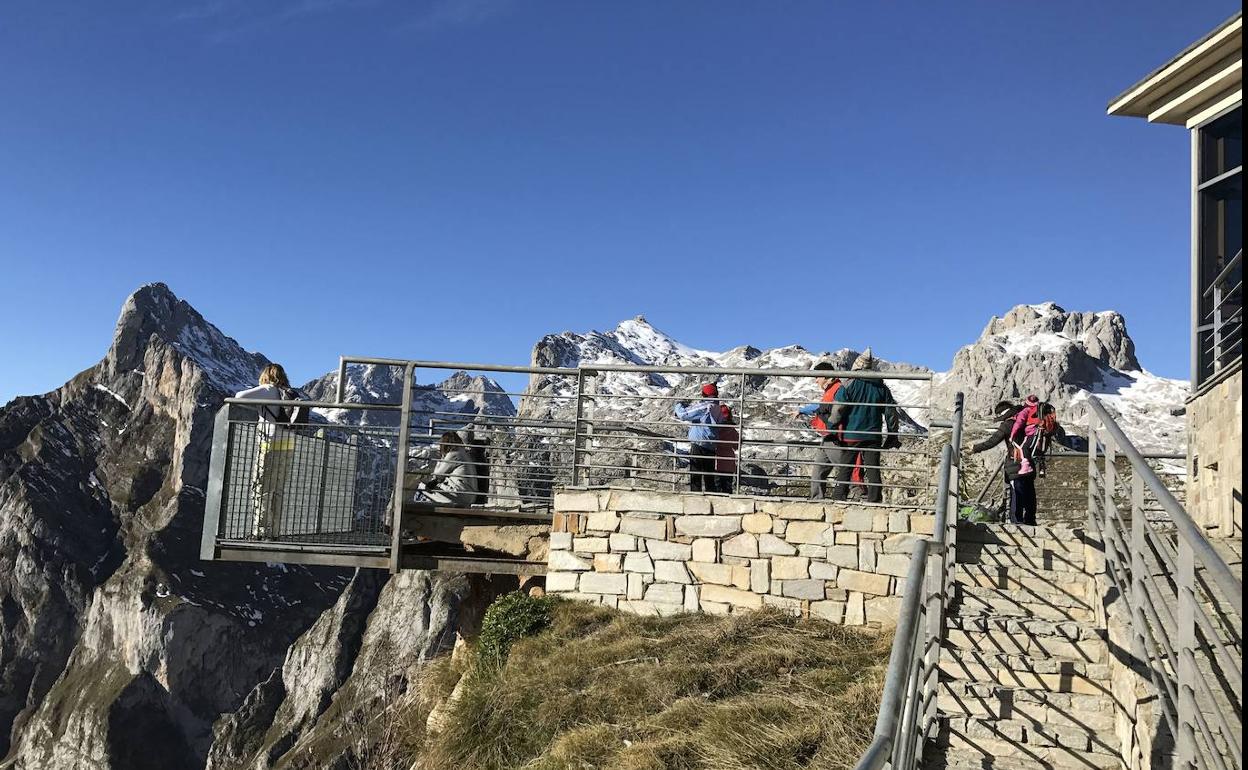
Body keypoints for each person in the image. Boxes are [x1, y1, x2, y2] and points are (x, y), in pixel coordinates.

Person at [820, 349, 900, 503]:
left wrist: (831, 425)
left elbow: (838, 409)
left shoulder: (849, 384)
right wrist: (892, 435)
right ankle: (874, 499)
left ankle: (839, 497)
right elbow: (891, 413)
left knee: (846, 467)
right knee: (873, 468)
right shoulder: (881, 387)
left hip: (852, 434)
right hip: (873, 435)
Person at [234, 363, 299, 539]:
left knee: (261, 489)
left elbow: (239, 396)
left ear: (267, 375)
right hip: (288, 446)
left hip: (269, 445)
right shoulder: (289, 393)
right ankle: (275, 532)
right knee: (277, 490)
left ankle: (260, 532)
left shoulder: (268, 390)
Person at [970, 400, 1037, 525]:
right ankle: (1031, 521)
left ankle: (1017, 523)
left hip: (1016, 466)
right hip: (1030, 464)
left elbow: (992, 441)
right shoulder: (1027, 421)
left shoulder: (1008, 424)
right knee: (1029, 493)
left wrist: (975, 448)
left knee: (1016, 494)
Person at [795, 362, 850, 499]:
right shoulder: (830, 390)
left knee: (844, 468)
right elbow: (821, 407)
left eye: (817, 377)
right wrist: (802, 411)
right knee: (818, 471)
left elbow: (833, 410)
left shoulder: (837, 389)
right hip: (827, 437)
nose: (816, 380)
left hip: (833, 437)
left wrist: (831, 425)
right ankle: (816, 499)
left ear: (825, 376)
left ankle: (859, 494)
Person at [673, 383, 723, 493]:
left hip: (699, 443)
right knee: (709, 476)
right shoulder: (717, 407)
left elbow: (683, 414)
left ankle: (695, 498)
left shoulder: (705, 406)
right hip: (711, 445)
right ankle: (712, 497)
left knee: (696, 474)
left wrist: (678, 404)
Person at [414, 431, 479, 506]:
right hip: (469, 496)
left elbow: (438, 475)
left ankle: (417, 509)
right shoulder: (463, 453)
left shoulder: (453, 454)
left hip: (461, 496)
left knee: (421, 486)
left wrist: (441, 460)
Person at [714, 403, 739, 493]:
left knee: (717, 486)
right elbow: (736, 446)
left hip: (717, 460)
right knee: (727, 487)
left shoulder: (716, 429)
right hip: (729, 461)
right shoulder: (732, 430)